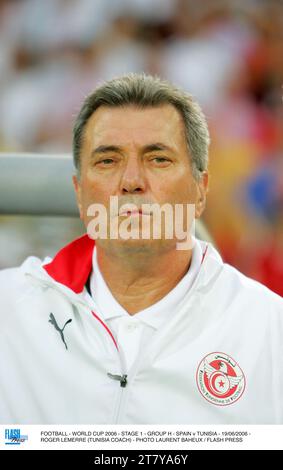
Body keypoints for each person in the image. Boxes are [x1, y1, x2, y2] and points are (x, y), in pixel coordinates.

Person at [0, 73, 282, 424]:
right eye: (107, 161)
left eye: (158, 159)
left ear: (200, 190)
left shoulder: (271, 331)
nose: (131, 182)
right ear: (79, 192)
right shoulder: (8, 313)